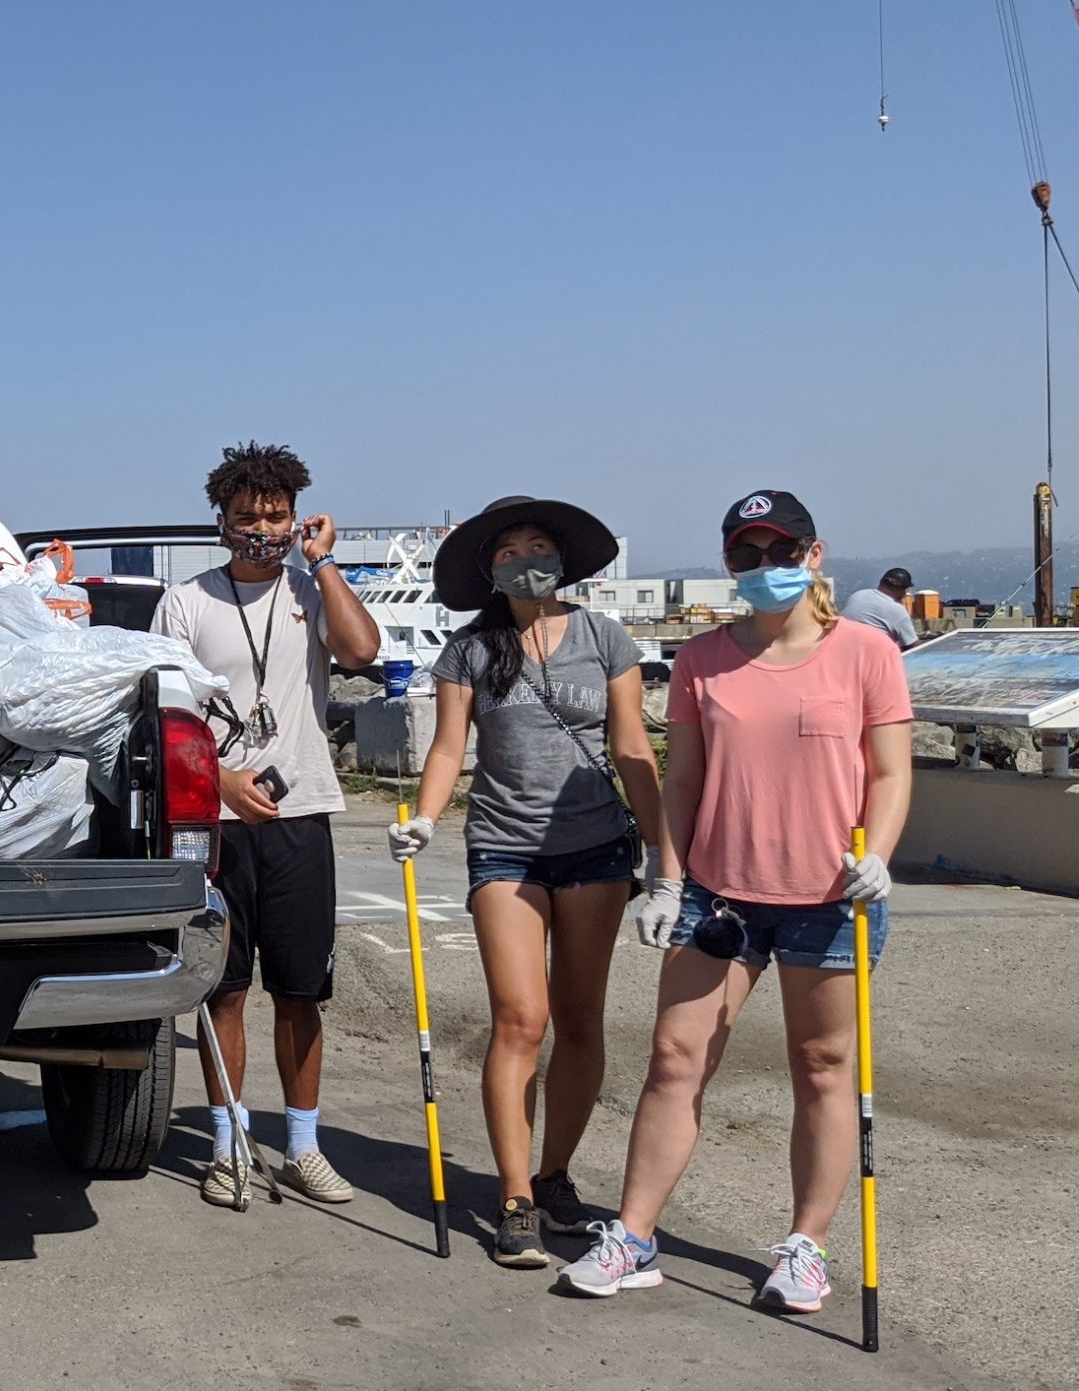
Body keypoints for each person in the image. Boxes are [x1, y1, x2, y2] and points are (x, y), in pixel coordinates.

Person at [558, 489, 912, 1316]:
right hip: (718, 895)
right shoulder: (702, 661)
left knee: (823, 1068)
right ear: (728, 564)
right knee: (674, 1061)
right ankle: (635, 1234)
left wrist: (881, 859)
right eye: (747, 555)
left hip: (830, 894)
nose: (765, 568)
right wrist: (667, 877)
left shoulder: (865, 652)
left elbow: (892, 770)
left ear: (813, 556)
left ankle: (806, 1246)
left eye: (781, 552)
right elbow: (682, 779)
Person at [390, 496, 663, 1267]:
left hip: (596, 849)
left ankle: (554, 1175)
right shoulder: (469, 649)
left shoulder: (605, 637)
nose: (525, 558)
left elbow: (633, 747)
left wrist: (668, 856)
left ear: (563, 557)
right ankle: (514, 1197)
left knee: (581, 1018)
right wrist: (426, 819)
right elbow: (448, 748)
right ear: (490, 568)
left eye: (538, 545)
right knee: (520, 1017)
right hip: (504, 847)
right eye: (509, 549)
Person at [153, 442, 382, 1208]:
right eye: (247, 516)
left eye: (276, 515)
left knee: (300, 991)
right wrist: (221, 777)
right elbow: (168, 712)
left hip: (301, 811)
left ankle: (304, 1146)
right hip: (213, 817)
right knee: (223, 988)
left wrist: (321, 563)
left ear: (296, 520)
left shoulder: (309, 590)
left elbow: (361, 650)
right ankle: (226, 1146)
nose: (262, 527)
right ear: (221, 523)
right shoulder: (185, 602)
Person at [838, 566, 919, 649]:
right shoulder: (897, 610)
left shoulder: (858, 594)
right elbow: (912, 646)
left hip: (839, 646)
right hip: (867, 654)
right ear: (902, 590)